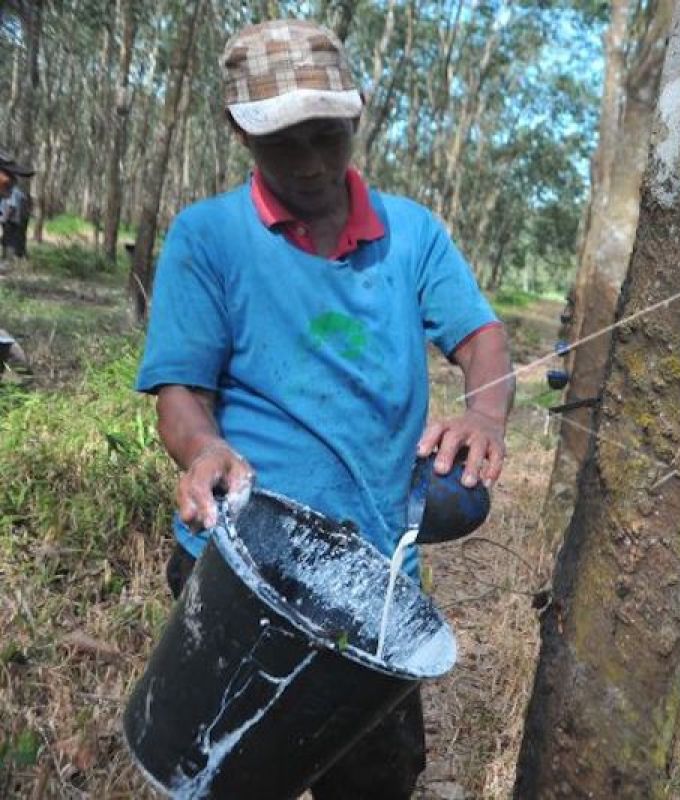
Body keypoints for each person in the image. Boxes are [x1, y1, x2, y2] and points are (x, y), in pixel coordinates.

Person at [135, 19, 514, 798]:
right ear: (239, 130)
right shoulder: (208, 239)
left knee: (371, 779)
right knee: (216, 771)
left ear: (359, 112)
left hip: (374, 582)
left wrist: (484, 417)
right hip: (239, 570)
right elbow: (183, 393)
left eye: (326, 135)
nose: (309, 164)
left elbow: (483, 340)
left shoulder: (410, 235)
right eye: (283, 142)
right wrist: (204, 449)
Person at [0, 165, 32, 261]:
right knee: (7, 239)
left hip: (12, 220)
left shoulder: (13, 192)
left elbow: (11, 207)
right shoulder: (13, 191)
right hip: (12, 219)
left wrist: (4, 218)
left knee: (9, 240)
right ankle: (7, 257)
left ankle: (9, 258)